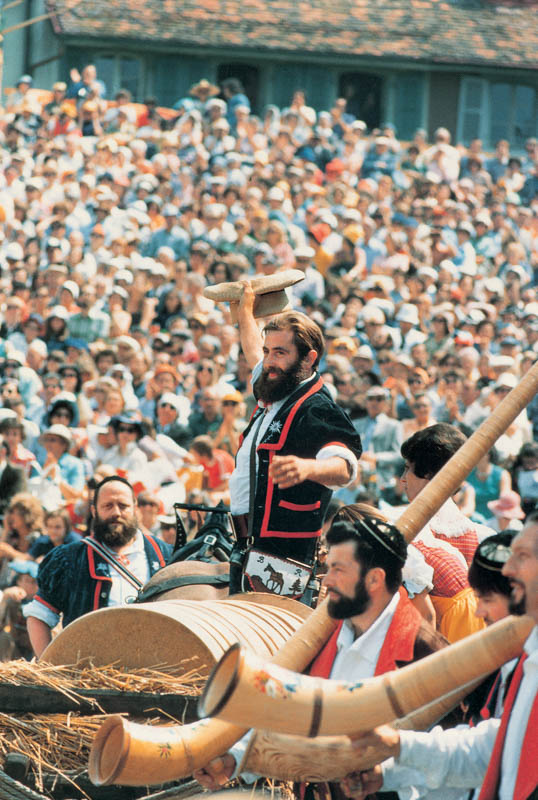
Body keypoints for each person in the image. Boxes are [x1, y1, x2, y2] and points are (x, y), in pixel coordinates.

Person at [193, 505, 448, 791]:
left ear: (374, 579)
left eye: (339, 570)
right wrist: (235, 758)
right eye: (328, 568)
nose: (326, 581)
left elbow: (451, 757)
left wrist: (385, 774)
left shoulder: (425, 650)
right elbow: (287, 707)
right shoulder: (323, 634)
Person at [343, 513, 538, 800]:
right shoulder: (522, 660)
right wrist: (392, 767)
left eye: (522, 556)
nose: (509, 568)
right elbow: (493, 751)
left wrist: (398, 749)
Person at [227, 282, 362, 595]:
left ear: (309, 358)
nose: (269, 361)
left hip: (284, 556)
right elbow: (252, 350)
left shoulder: (317, 407)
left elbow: (345, 467)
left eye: (280, 353)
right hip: (247, 545)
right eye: (268, 351)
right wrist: (246, 313)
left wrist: (308, 468)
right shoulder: (277, 383)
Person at [24, 476, 172, 657]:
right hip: (87, 671)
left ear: (135, 508)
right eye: (108, 506)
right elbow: (38, 616)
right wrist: (48, 664)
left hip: (153, 668)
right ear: (94, 511)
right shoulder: (70, 558)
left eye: (123, 506)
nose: (116, 512)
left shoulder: (165, 555)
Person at [401, 424, 495, 642]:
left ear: (429, 474)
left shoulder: (412, 535)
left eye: (407, 469)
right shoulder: (483, 536)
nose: (403, 478)